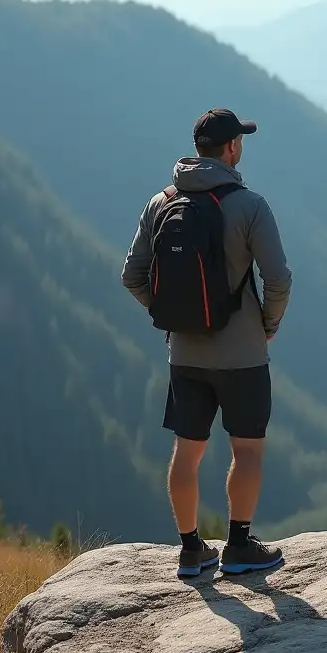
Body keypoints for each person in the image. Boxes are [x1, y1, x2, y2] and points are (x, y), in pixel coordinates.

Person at [121, 109, 292, 578]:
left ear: (198, 149)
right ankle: (239, 545)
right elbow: (278, 279)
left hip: (185, 354)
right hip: (243, 355)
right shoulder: (250, 205)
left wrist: (172, 315)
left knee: (187, 450)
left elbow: (132, 275)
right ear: (232, 148)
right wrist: (266, 324)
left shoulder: (162, 202)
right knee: (248, 450)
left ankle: (191, 549)